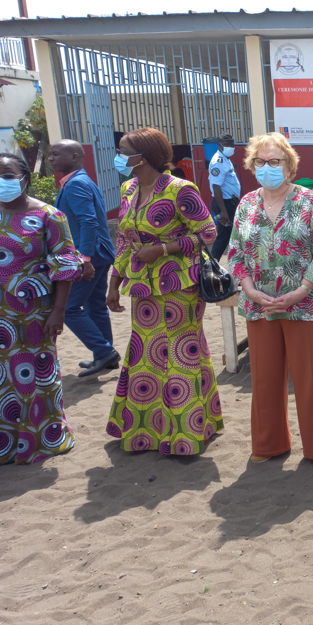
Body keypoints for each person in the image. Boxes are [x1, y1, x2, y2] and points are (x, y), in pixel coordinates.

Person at [226, 132, 313, 471]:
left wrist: (301, 291)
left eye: (275, 161)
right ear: (252, 165)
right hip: (260, 305)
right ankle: (269, 442)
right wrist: (248, 289)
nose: (267, 166)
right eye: (260, 161)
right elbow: (235, 253)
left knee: (312, 379)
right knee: (264, 378)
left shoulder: (310, 201)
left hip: (306, 305)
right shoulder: (246, 204)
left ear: (289, 166)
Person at [106, 128, 224, 456]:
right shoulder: (128, 188)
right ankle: (148, 432)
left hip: (179, 286)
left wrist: (162, 249)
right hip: (142, 288)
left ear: (143, 156)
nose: (118, 156)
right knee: (146, 357)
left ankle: (187, 435)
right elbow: (124, 241)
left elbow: (208, 233)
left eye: (123, 150)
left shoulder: (180, 190)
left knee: (181, 355)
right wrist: (114, 283)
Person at [0, 152, 83, 465]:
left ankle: (41, 438)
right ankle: (1, 443)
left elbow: (65, 265)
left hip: (32, 311)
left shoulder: (49, 215)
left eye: (7, 175)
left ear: (24, 177)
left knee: (34, 373)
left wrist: (59, 311)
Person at [49, 140, 120, 377]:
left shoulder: (76, 184)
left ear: (74, 156)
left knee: (69, 308)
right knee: (95, 306)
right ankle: (105, 355)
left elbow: (88, 221)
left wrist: (85, 259)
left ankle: (104, 351)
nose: (50, 158)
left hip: (90, 255)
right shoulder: (81, 180)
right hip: (99, 254)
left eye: (55, 154)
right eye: (49, 155)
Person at [208, 132, 241, 260]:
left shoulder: (225, 159)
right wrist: (223, 211)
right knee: (224, 236)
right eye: (227, 144)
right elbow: (216, 187)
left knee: (232, 234)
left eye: (232, 144)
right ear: (220, 145)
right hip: (224, 204)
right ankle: (211, 264)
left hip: (230, 203)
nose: (230, 147)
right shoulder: (218, 161)